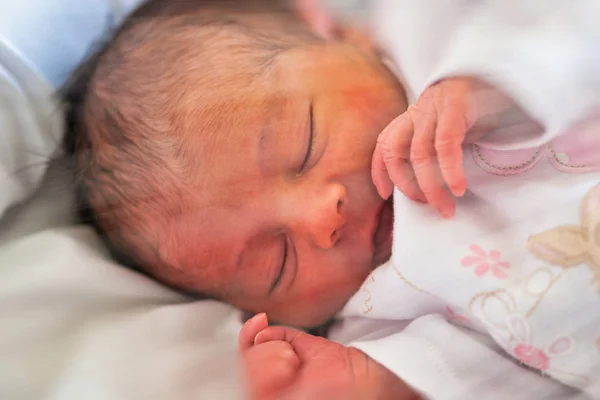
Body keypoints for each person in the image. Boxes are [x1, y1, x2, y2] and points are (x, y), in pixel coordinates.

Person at [63, 0, 600, 398]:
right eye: (278, 262)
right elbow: (501, 379)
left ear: (340, 34)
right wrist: (379, 382)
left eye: (306, 143)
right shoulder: (380, 317)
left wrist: (486, 82)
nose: (321, 219)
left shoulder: (428, 35)